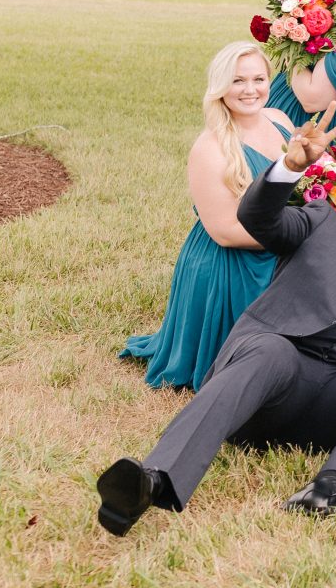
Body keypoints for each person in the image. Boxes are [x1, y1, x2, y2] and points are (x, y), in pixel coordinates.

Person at [96, 105, 336, 536]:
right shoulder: (327, 227)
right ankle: (152, 481)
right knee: (271, 348)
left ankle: (332, 486)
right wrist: (289, 167)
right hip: (270, 387)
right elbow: (258, 219)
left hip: (332, 409)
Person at [121, 42, 295, 390]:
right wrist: (300, 236)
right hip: (229, 265)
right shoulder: (210, 147)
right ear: (220, 88)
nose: (250, 90)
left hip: (282, 248)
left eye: (258, 78)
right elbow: (226, 232)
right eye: (237, 81)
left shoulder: (279, 120)